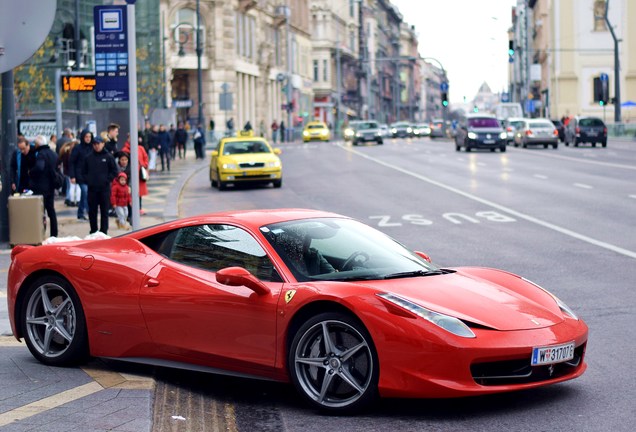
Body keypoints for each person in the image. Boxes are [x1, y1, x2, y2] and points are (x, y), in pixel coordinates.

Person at [82, 137, 118, 235]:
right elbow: (83, 172)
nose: (97, 146)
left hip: (104, 189)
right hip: (92, 189)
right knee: (92, 211)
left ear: (103, 144)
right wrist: (88, 180)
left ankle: (104, 231)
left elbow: (114, 171)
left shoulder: (108, 156)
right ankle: (93, 230)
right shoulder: (88, 157)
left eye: (99, 144)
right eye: (95, 144)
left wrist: (107, 180)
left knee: (104, 211)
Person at [28, 135, 59, 238]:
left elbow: (39, 167)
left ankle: (41, 234)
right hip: (51, 186)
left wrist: (30, 172)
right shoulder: (53, 154)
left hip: (41, 186)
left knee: (41, 211)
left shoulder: (41, 154)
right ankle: (54, 234)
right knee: (51, 211)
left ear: (38, 144)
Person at [69, 130, 95, 221]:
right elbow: (72, 162)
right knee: (85, 192)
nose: (88, 139)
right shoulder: (78, 148)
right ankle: (83, 212)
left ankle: (85, 212)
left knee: (87, 194)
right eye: (86, 137)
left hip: (90, 175)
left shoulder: (93, 147)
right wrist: (72, 176)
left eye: (89, 137)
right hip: (80, 175)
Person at [121, 134, 150, 215]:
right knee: (130, 192)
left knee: (139, 192)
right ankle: (131, 210)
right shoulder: (125, 149)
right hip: (130, 175)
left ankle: (139, 208)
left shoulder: (140, 148)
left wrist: (144, 165)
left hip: (139, 174)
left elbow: (145, 158)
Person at [58, 138, 80, 206]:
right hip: (71, 172)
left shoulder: (65, 151)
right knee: (74, 187)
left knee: (69, 186)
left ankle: (68, 199)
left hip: (66, 171)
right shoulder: (72, 153)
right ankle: (72, 199)